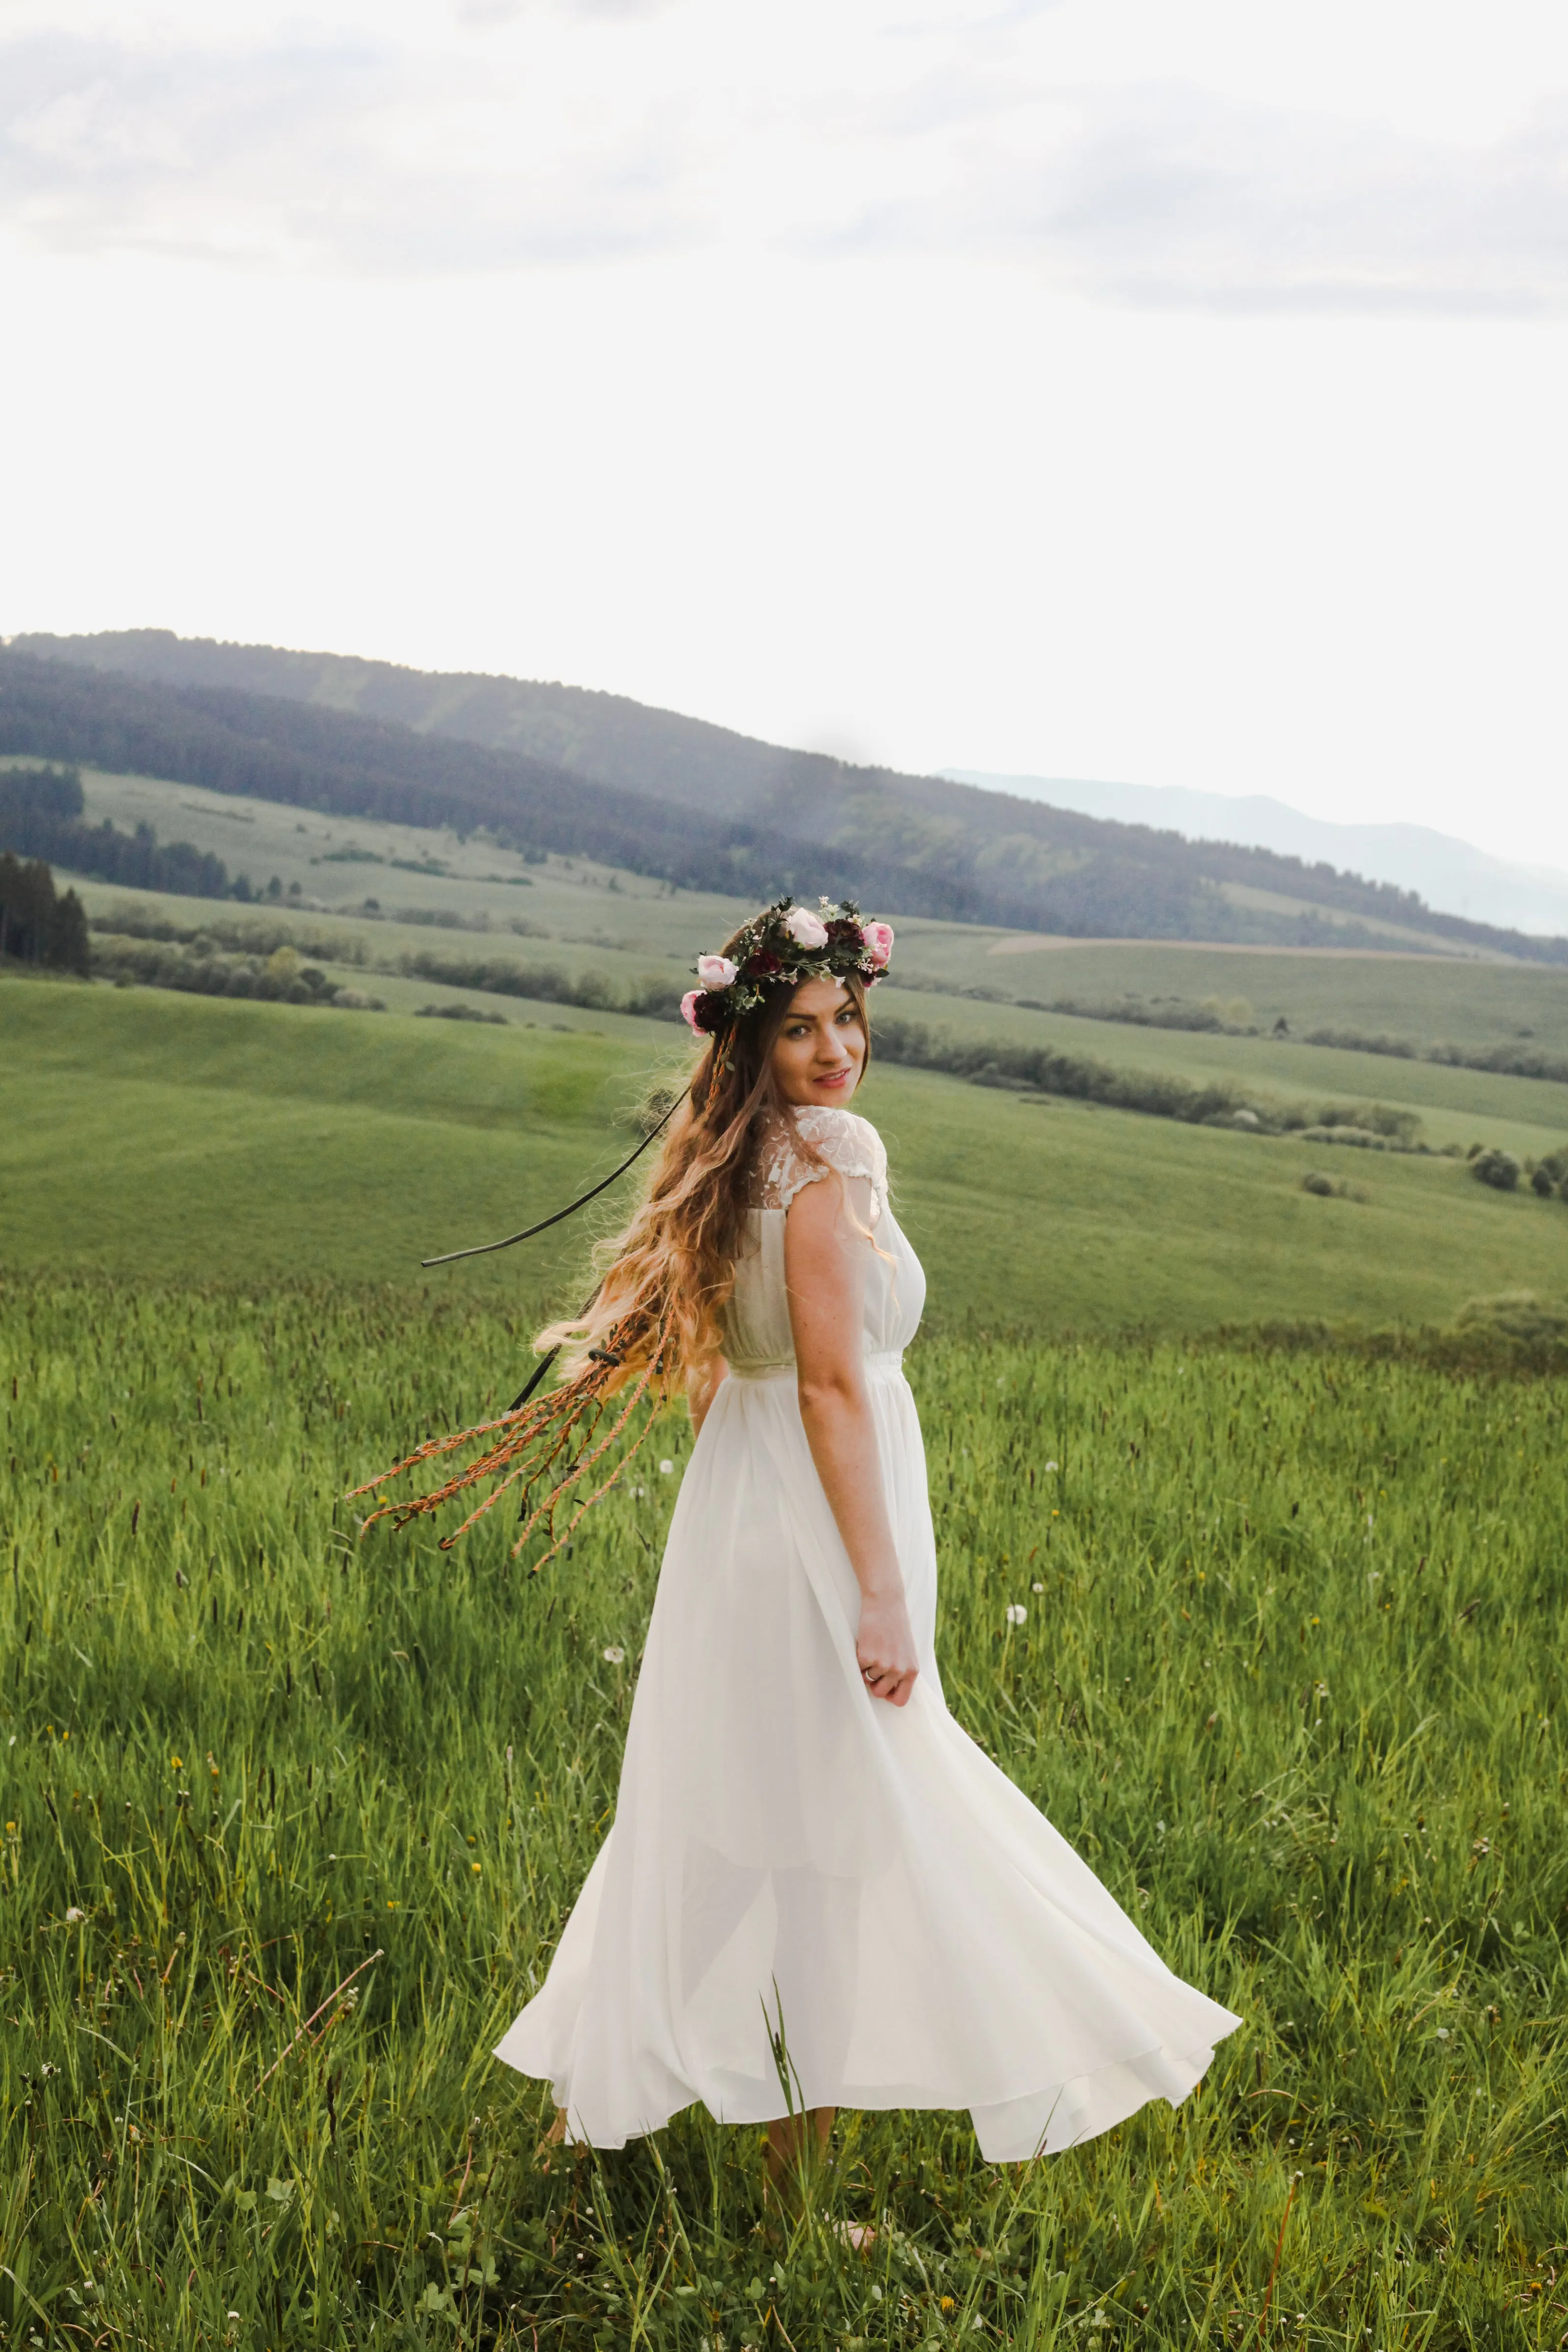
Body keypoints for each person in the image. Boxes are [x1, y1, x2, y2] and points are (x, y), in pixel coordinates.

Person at [489, 897, 1240, 2196]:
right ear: (751, 1044)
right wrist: (879, 1594)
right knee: (837, 1842)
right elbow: (834, 1387)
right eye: (799, 1030)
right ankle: (788, 2186)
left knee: (725, 1834)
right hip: (827, 1537)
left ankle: (586, 2123)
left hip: (748, 1516)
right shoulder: (829, 1165)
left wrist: (749, 1498)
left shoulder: (736, 1164)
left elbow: (732, 1368)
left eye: (847, 1020)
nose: (835, 1050)